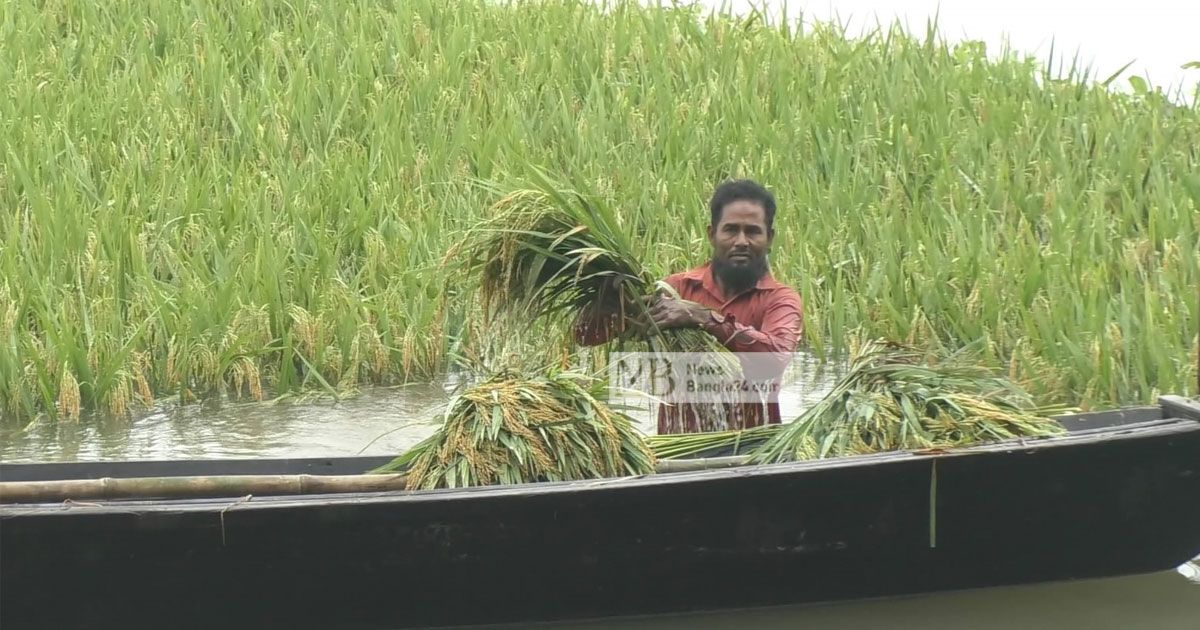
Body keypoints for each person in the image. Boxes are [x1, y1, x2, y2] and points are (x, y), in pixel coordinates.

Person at [573, 179, 804, 434]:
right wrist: (610, 299)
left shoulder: (780, 300)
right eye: (730, 230)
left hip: (754, 451)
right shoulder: (675, 290)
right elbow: (586, 335)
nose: (741, 241)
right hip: (678, 446)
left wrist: (703, 317)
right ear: (711, 234)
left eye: (752, 231)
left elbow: (773, 361)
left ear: (769, 238)